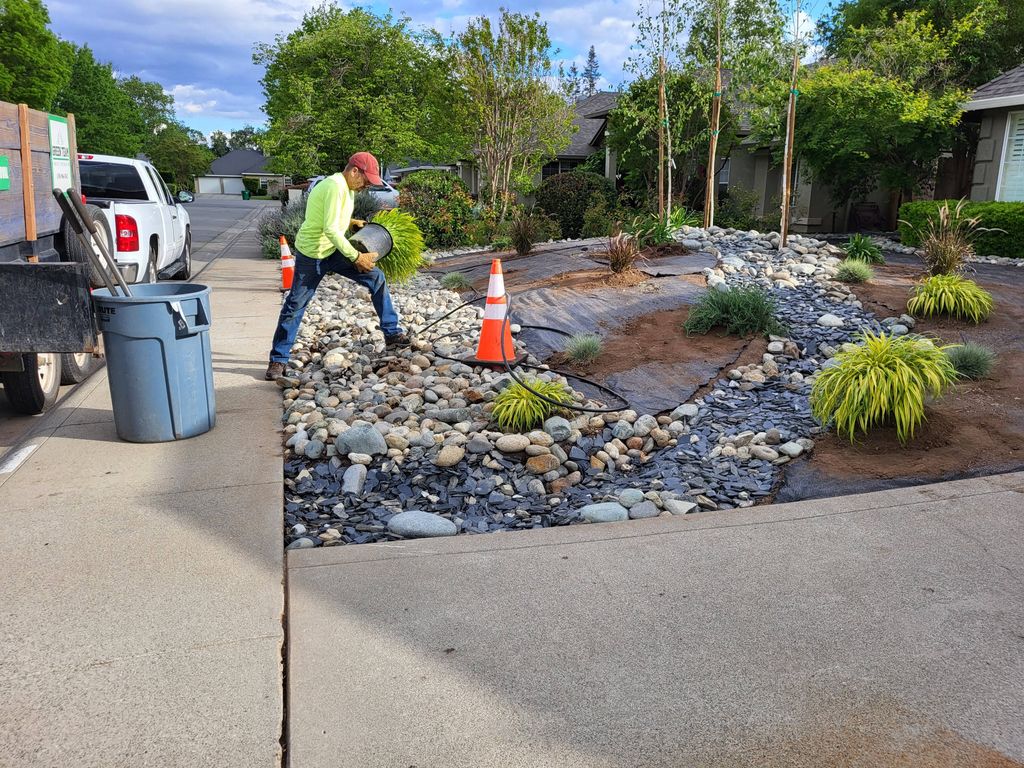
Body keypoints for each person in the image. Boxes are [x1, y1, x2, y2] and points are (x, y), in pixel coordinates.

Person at [265, 151, 409, 381]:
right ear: (354, 171)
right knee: (295, 304)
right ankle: (278, 360)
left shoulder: (348, 188)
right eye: (365, 179)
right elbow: (330, 229)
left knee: (376, 277)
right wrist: (356, 257)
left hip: (333, 250)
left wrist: (351, 223)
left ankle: (392, 333)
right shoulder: (334, 186)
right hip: (312, 255)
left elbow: (332, 220)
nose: (365, 186)